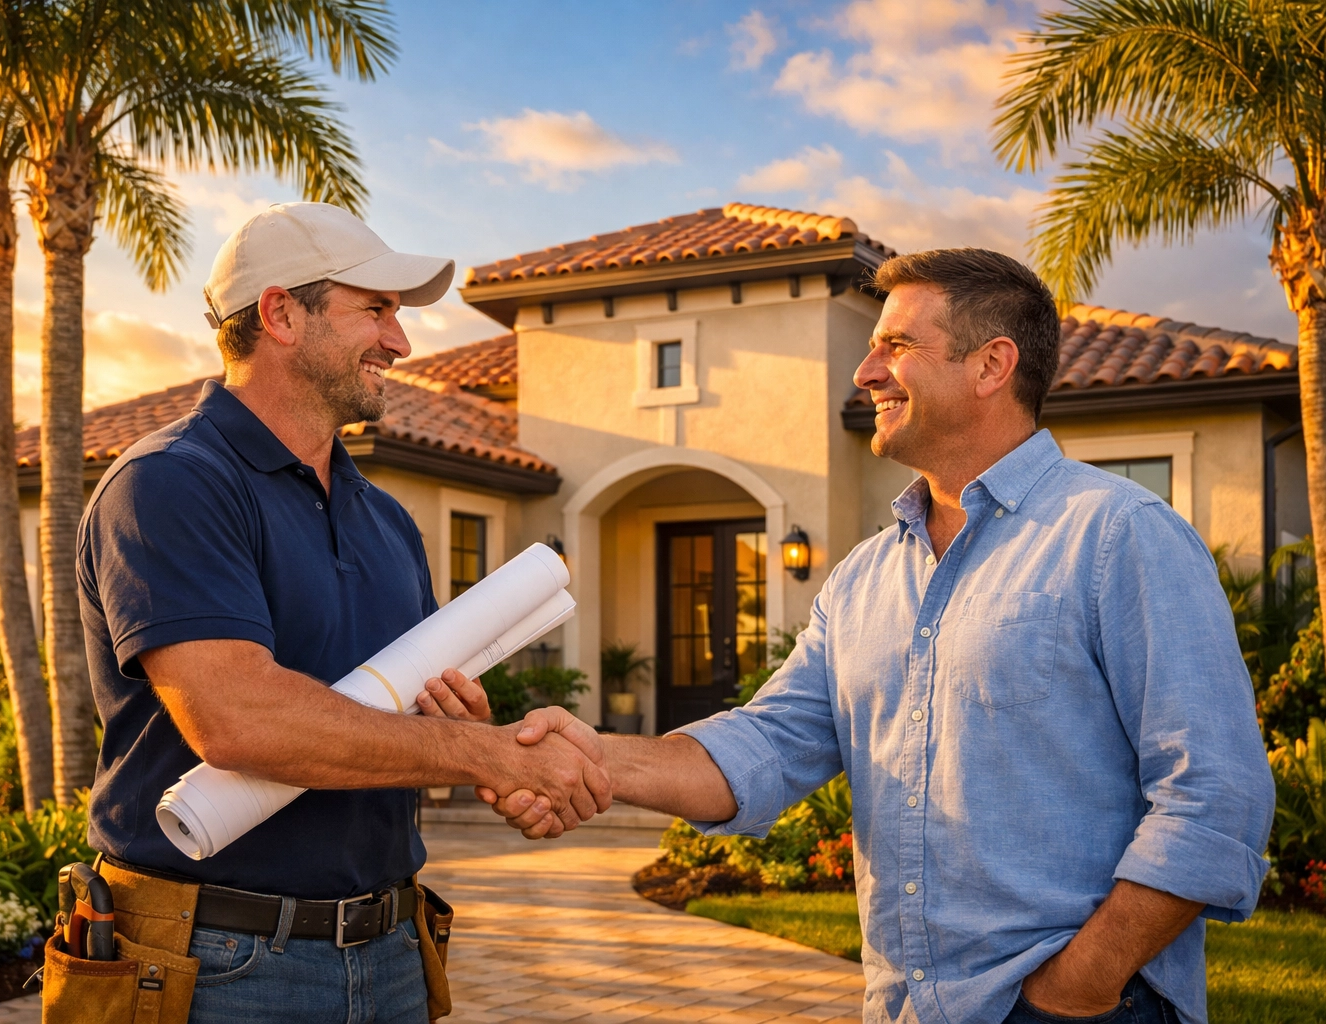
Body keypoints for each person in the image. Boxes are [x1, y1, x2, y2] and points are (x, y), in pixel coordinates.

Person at [484, 249, 1276, 1024]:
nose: (864, 373)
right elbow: (765, 747)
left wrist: (1075, 988)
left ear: (992, 365)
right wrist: (586, 755)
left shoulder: (1117, 536)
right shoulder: (864, 577)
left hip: (1081, 1006)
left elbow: (1214, 800)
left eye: (895, 346)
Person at [76, 202, 609, 1024]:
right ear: (281, 313)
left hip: (391, 953)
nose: (401, 341)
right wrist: (486, 753)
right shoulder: (171, 485)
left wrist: (474, 744)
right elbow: (238, 720)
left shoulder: (386, 521)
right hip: (216, 966)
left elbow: (404, 728)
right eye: (376, 309)